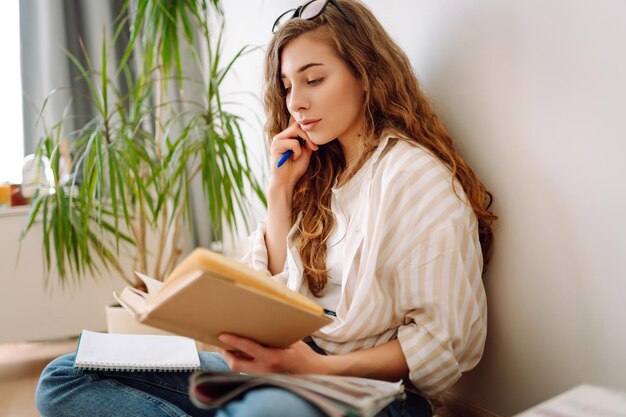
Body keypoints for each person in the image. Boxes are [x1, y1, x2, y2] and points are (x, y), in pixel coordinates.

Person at [35, 0, 496, 416]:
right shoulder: (317, 173)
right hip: (284, 366)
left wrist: (312, 369)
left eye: (314, 79)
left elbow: (442, 347)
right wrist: (280, 195)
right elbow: (275, 292)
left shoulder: (416, 179)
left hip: (367, 393)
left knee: (260, 412)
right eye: (288, 85)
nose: (296, 102)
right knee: (66, 374)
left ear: (366, 75)